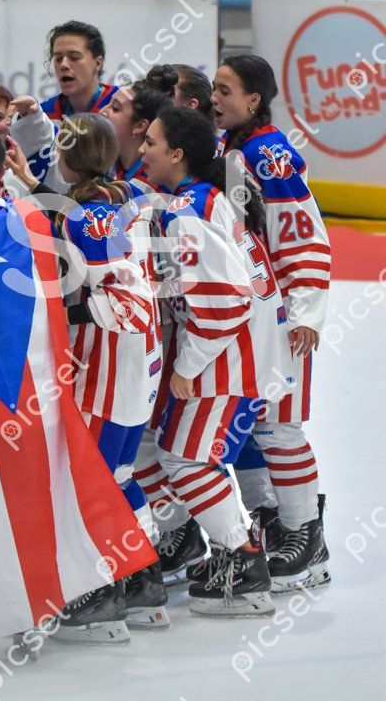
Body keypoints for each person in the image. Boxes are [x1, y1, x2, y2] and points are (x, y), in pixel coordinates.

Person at [0, 129, 157, 660]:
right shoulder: (30, 220)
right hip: (32, 397)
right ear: (2, 170)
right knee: (38, 507)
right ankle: (45, 612)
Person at [139, 105, 293, 616]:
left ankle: (244, 565)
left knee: (185, 459)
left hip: (225, 357)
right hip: (240, 351)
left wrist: (186, 367)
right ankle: (232, 552)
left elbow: (226, 301)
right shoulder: (207, 197)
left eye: (152, 142)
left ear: (177, 154)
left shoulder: (190, 211)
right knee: (179, 453)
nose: (143, 150)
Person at [212, 55, 331, 591]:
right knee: (253, 425)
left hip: (281, 316)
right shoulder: (234, 146)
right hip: (254, 312)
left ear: (253, 98)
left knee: (279, 427)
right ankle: (275, 523)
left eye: (225, 89)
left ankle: (306, 534)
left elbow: (303, 232)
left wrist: (304, 310)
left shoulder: (269, 154)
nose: (215, 98)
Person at [53, 114, 167, 629]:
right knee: (119, 475)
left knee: (90, 481)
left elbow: (129, 304)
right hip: (140, 364)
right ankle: (144, 578)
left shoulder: (87, 217)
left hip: (106, 370)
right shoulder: (133, 198)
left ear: (69, 157)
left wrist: (69, 312)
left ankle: (99, 592)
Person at [8, 22, 118, 189]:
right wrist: (31, 122)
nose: (64, 65)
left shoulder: (122, 108)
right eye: (58, 58)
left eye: (74, 57)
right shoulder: (44, 114)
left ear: (98, 63)